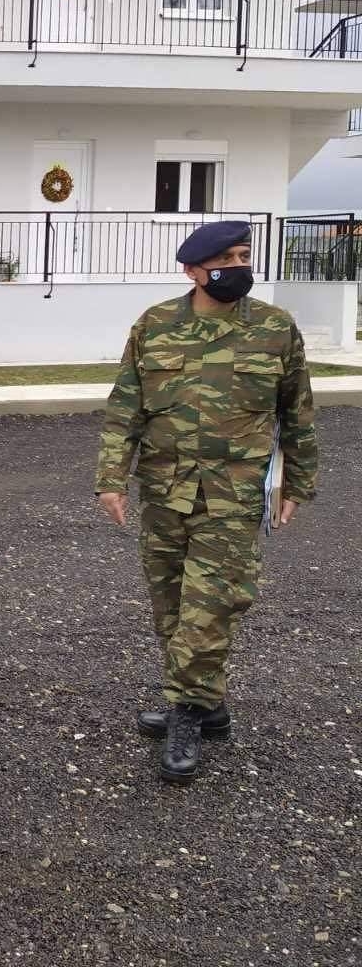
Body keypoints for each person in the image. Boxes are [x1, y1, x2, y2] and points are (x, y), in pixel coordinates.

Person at [95, 219, 317, 785]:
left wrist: (298, 484)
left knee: (208, 609)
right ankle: (208, 704)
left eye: (244, 256)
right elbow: (126, 408)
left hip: (233, 496)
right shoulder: (155, 325)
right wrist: (111, 478)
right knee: (171, 607)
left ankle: (186, 714)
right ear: (194, 271)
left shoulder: (274, 327)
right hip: (164, 493)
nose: (240, 267)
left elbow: (297, 411)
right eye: (227, 260)